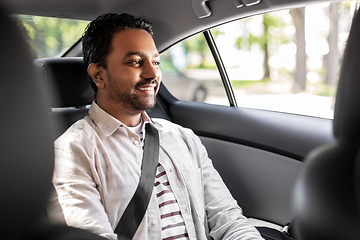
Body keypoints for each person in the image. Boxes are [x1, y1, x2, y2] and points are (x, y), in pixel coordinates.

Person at [48, 13, 263, 240]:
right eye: (135, 62)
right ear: (98, 74)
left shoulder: (182, 138)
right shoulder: (71, 152)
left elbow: (229, 221)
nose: (153, 74)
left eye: (156, 62)